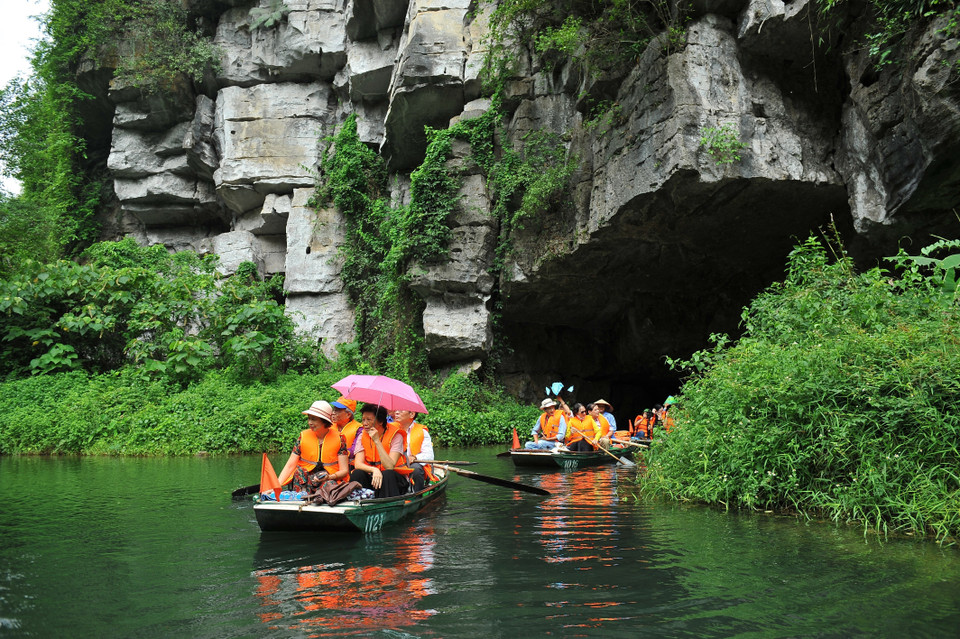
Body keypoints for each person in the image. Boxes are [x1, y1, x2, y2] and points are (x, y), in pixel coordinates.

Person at [277, 400, 350, 493]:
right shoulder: (302, 437)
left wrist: (329, 477)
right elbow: (290, 465)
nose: (309, 422)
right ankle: (302, 496)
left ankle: (321, 497)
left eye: (314, 419)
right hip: (306, 481)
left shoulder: (340, 439)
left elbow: (344, 471)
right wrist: (277, 486)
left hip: (327, 480)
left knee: (330, 484)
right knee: (299, 472)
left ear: (324, 421)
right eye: (309, 418)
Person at [350, 403, 412, 498]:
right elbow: (358, 464)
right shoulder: (362, 436)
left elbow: (389, 466)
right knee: (357, 473)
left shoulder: (396, 436)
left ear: (381, 421)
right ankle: (358, 502)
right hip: (373, 477)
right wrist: (374, 470)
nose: (364, 423)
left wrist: (376, 441)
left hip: (393, 480)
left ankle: (388, 505)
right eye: (363, 419)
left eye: (369, 420)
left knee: (387, 474)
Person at [394, 409, 435, 491]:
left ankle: (417, 494)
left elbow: (429, 455)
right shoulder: (390, 429)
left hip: (413, 465)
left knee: (415, 468)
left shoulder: (422, 432)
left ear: (412, 414)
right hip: (396, 464)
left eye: (401, 411)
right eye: (396, 410)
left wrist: (414, 458)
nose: (397, 412)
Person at [331, 396, 361, 465]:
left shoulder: (359, 429)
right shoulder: (329, 426)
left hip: (349, 466)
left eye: (337, 410)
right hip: (330, 464)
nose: (333, 413)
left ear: (348, 415)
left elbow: (354, 451)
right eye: (334, 409)